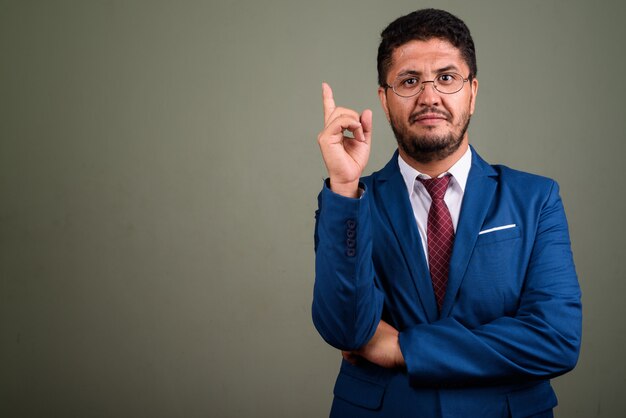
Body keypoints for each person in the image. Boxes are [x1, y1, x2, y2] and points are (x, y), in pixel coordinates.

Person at [312, 8, 582, 418]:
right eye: (409, 81)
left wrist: (401, 347)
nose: (429, 96)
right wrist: (346, 187)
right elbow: (344, 330)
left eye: (446, 77)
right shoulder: (350, 200)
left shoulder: (535, 199)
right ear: (384, 101)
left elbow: (556, 339)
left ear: (471, 92)